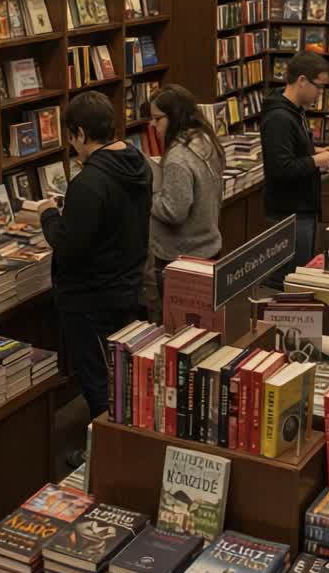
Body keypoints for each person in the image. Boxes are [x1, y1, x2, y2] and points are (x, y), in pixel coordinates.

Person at [34, 91, 152, 440]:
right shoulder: (137, 162)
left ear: (81, 133)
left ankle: (107, 452)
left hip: (90, 298)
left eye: (71, 137)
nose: (73, 146)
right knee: (122, 374)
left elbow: (69, 247)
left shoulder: (89, 181)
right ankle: (123, 441)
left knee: (99, 379)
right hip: (126, 285)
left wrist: (49, 216)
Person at [261, 51, 329, 287]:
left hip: (302, 209)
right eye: (319, 86)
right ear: (302, 81)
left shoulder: (296, 111)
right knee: (288, 281)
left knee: (299, 274)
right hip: (288, 212)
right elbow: (280, 167)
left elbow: (291, 150)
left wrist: (313, 150)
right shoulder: (279, 118)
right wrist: (316, 161)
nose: (321, 93)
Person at [148, 84, 225, 311]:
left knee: (180, 326)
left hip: (181, 257)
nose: (153, 126)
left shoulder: (177, 157)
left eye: (157, 119)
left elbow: (174, 211)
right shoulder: (203, 139)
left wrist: (148, 197)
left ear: (175, 117)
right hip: (207, 246)